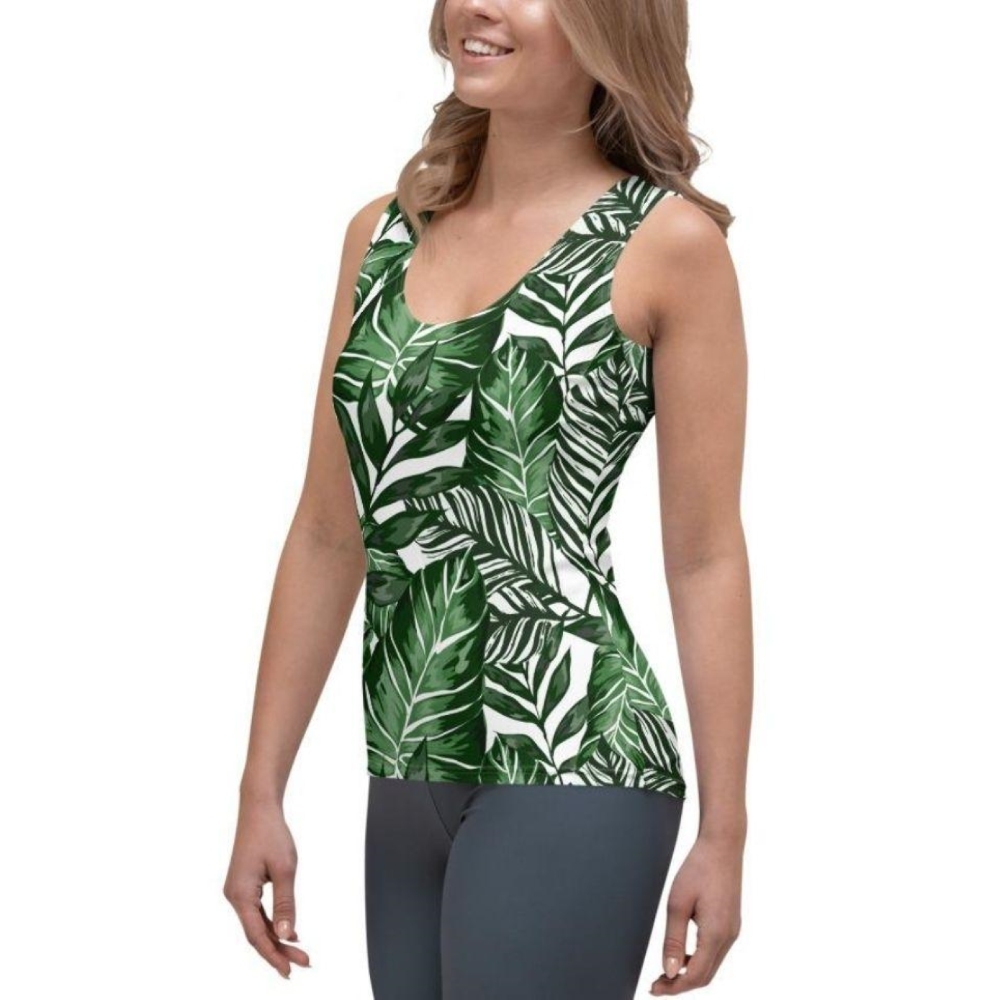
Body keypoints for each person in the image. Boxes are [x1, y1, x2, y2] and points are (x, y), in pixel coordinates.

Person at [223, 1, 752, 996]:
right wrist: (262, 788)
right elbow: (329, 533)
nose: (478, 4)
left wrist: (724, 832)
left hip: (577, 755)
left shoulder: (665, 245)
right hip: (406, 758)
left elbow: (705, 555)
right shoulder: (382, 236)